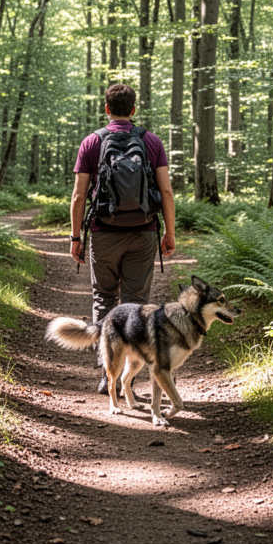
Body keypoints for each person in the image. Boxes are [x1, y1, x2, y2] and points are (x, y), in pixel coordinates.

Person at [69, 83, 176, 394]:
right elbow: (166, 191)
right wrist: (169, 232)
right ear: (133, 110)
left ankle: (108, 374)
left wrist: (76, 237)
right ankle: (129, 378)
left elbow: (78, 195)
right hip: (143, 232)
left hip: (103, 232)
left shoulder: (92, 142)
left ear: (106, 109)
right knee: (137, 305)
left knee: (104, 298)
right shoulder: (151, 141)